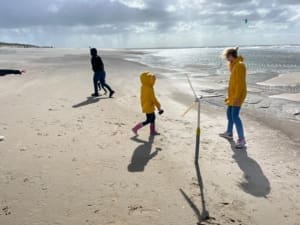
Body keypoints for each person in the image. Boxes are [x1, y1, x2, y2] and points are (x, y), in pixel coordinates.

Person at [219, 47, 247, 149]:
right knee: (229, 114)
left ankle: (242, 139)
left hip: (237, 96)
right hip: (232, 95)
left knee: (235, 116)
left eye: (226, 56)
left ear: (231, 56)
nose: (226, 59)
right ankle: (229, 133)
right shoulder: (234, 65)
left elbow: (240, 84)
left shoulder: (239, 66)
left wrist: (236, 97)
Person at [132, 72, 164, 136]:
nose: (153, 81)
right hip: (149, 106)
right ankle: (135, 128)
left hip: (146, 105)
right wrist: (159, 107)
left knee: (153, 118)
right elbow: (154, 99)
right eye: (151, 79)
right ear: (148, 80)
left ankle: (152, 131)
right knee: (148, 120)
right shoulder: (149, 89)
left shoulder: (143, 86)